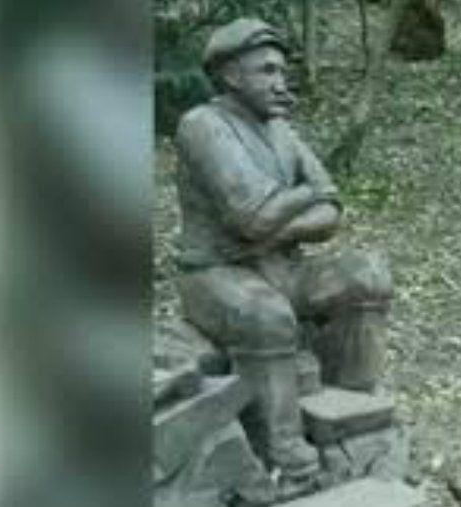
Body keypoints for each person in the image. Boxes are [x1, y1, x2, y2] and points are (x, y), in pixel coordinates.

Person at [173, 18, 392, 482]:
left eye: (282, 71)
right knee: (266, 315)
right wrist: (305, 194)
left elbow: (331, 210)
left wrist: (284, 217)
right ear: (232, 76)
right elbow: (250, 215)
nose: (281, 82)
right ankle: (282, 447)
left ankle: (354, 406)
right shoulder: (202, 126)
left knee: (367, 273)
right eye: (267, 71)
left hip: (282, 266)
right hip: (216, 273)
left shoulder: (281, 129)